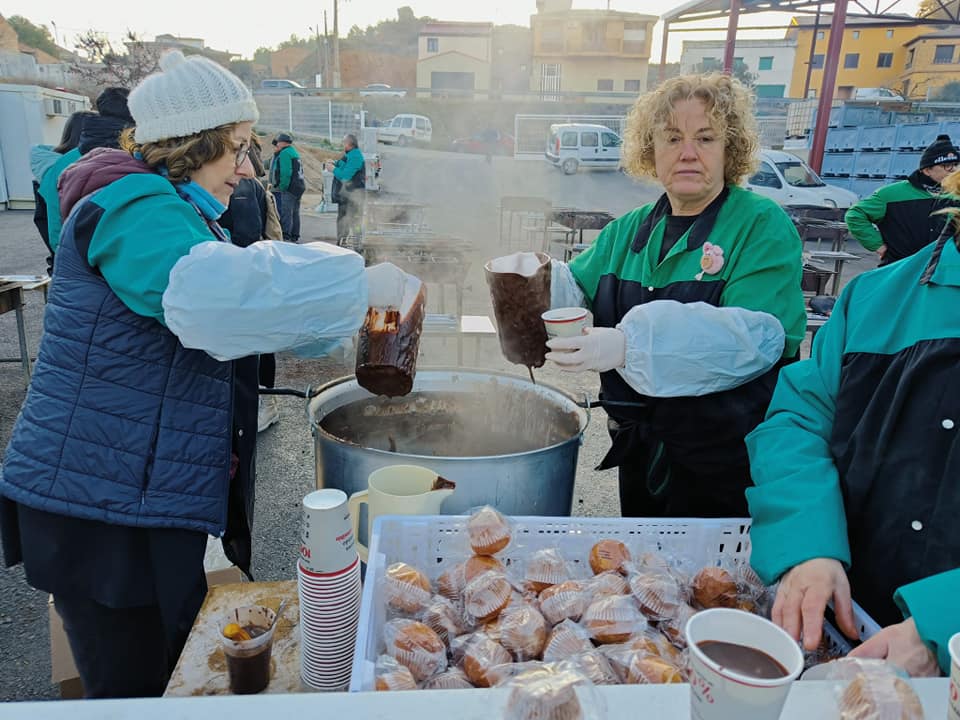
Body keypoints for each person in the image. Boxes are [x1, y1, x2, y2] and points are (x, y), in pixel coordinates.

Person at [0, 50, 409, 699]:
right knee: (135, 691)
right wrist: (357, 284)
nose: (247, 169)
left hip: (131, 500)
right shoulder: (130, 205)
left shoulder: (169, 207)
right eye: (237, 150)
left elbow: (257, 296)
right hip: (102, 509)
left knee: (169, 673)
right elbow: (214, 300)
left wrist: (343, 307)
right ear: (189, 146)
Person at [492, 74, 805, 519]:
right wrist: (530, 284)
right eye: (672, 137)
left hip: (726, 461)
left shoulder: (760, 226)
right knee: (644, 578)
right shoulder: (628, 230)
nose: (688, 152)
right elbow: (574, 293)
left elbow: (753, 340)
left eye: (706, 137)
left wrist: (628, 345)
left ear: (730, 149)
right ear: (650, 149)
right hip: (641, 451)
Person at [745, 170, 960, 679]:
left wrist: (942, 621)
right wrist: (808, 543)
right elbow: (798, 421)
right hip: (844, 629)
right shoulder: (872, 297)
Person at [219, 133, 283, 432]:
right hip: (237, 277)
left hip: (251, 274)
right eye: (238, 153)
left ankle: (265, 401)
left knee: (259, 340)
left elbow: (264, 233)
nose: (247, 168)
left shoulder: (249, 187)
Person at [845, 133, 960, 266]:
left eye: (956, 165)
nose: (954, 171)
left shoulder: (956, 196)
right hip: (899, 269)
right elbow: (855, 215)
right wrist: (878, 245)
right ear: (927, 170)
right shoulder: (892, 194)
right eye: (947, 166)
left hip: (942, 272)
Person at [30, 110, 96, 273]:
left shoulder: (48, 168)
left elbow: (43, 220)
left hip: (61, 258)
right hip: (80, 260)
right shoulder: (71, 168)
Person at [329, 133, 365, 244]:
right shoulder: (350, 154)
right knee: (345, 220)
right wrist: (335, 163)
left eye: (344, 142)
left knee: (354, 221)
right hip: (346, 196)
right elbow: (342, 164)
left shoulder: (355, 156)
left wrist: (333, 169)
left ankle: (354, 244)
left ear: (349, 144)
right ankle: (343, 242)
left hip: (353, 197)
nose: (342, 144)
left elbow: (345, 176)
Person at [269, 131, 305, 241]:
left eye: (278, 142)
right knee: (295, 212)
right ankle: (295, 235)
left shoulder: (285, 153)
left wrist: (282, 186)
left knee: (286, 212)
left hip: (290, 187)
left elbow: (286, 172)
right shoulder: (292, 152)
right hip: (299, 186)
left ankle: (286, 236)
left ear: (284, 143)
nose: (277, 145)